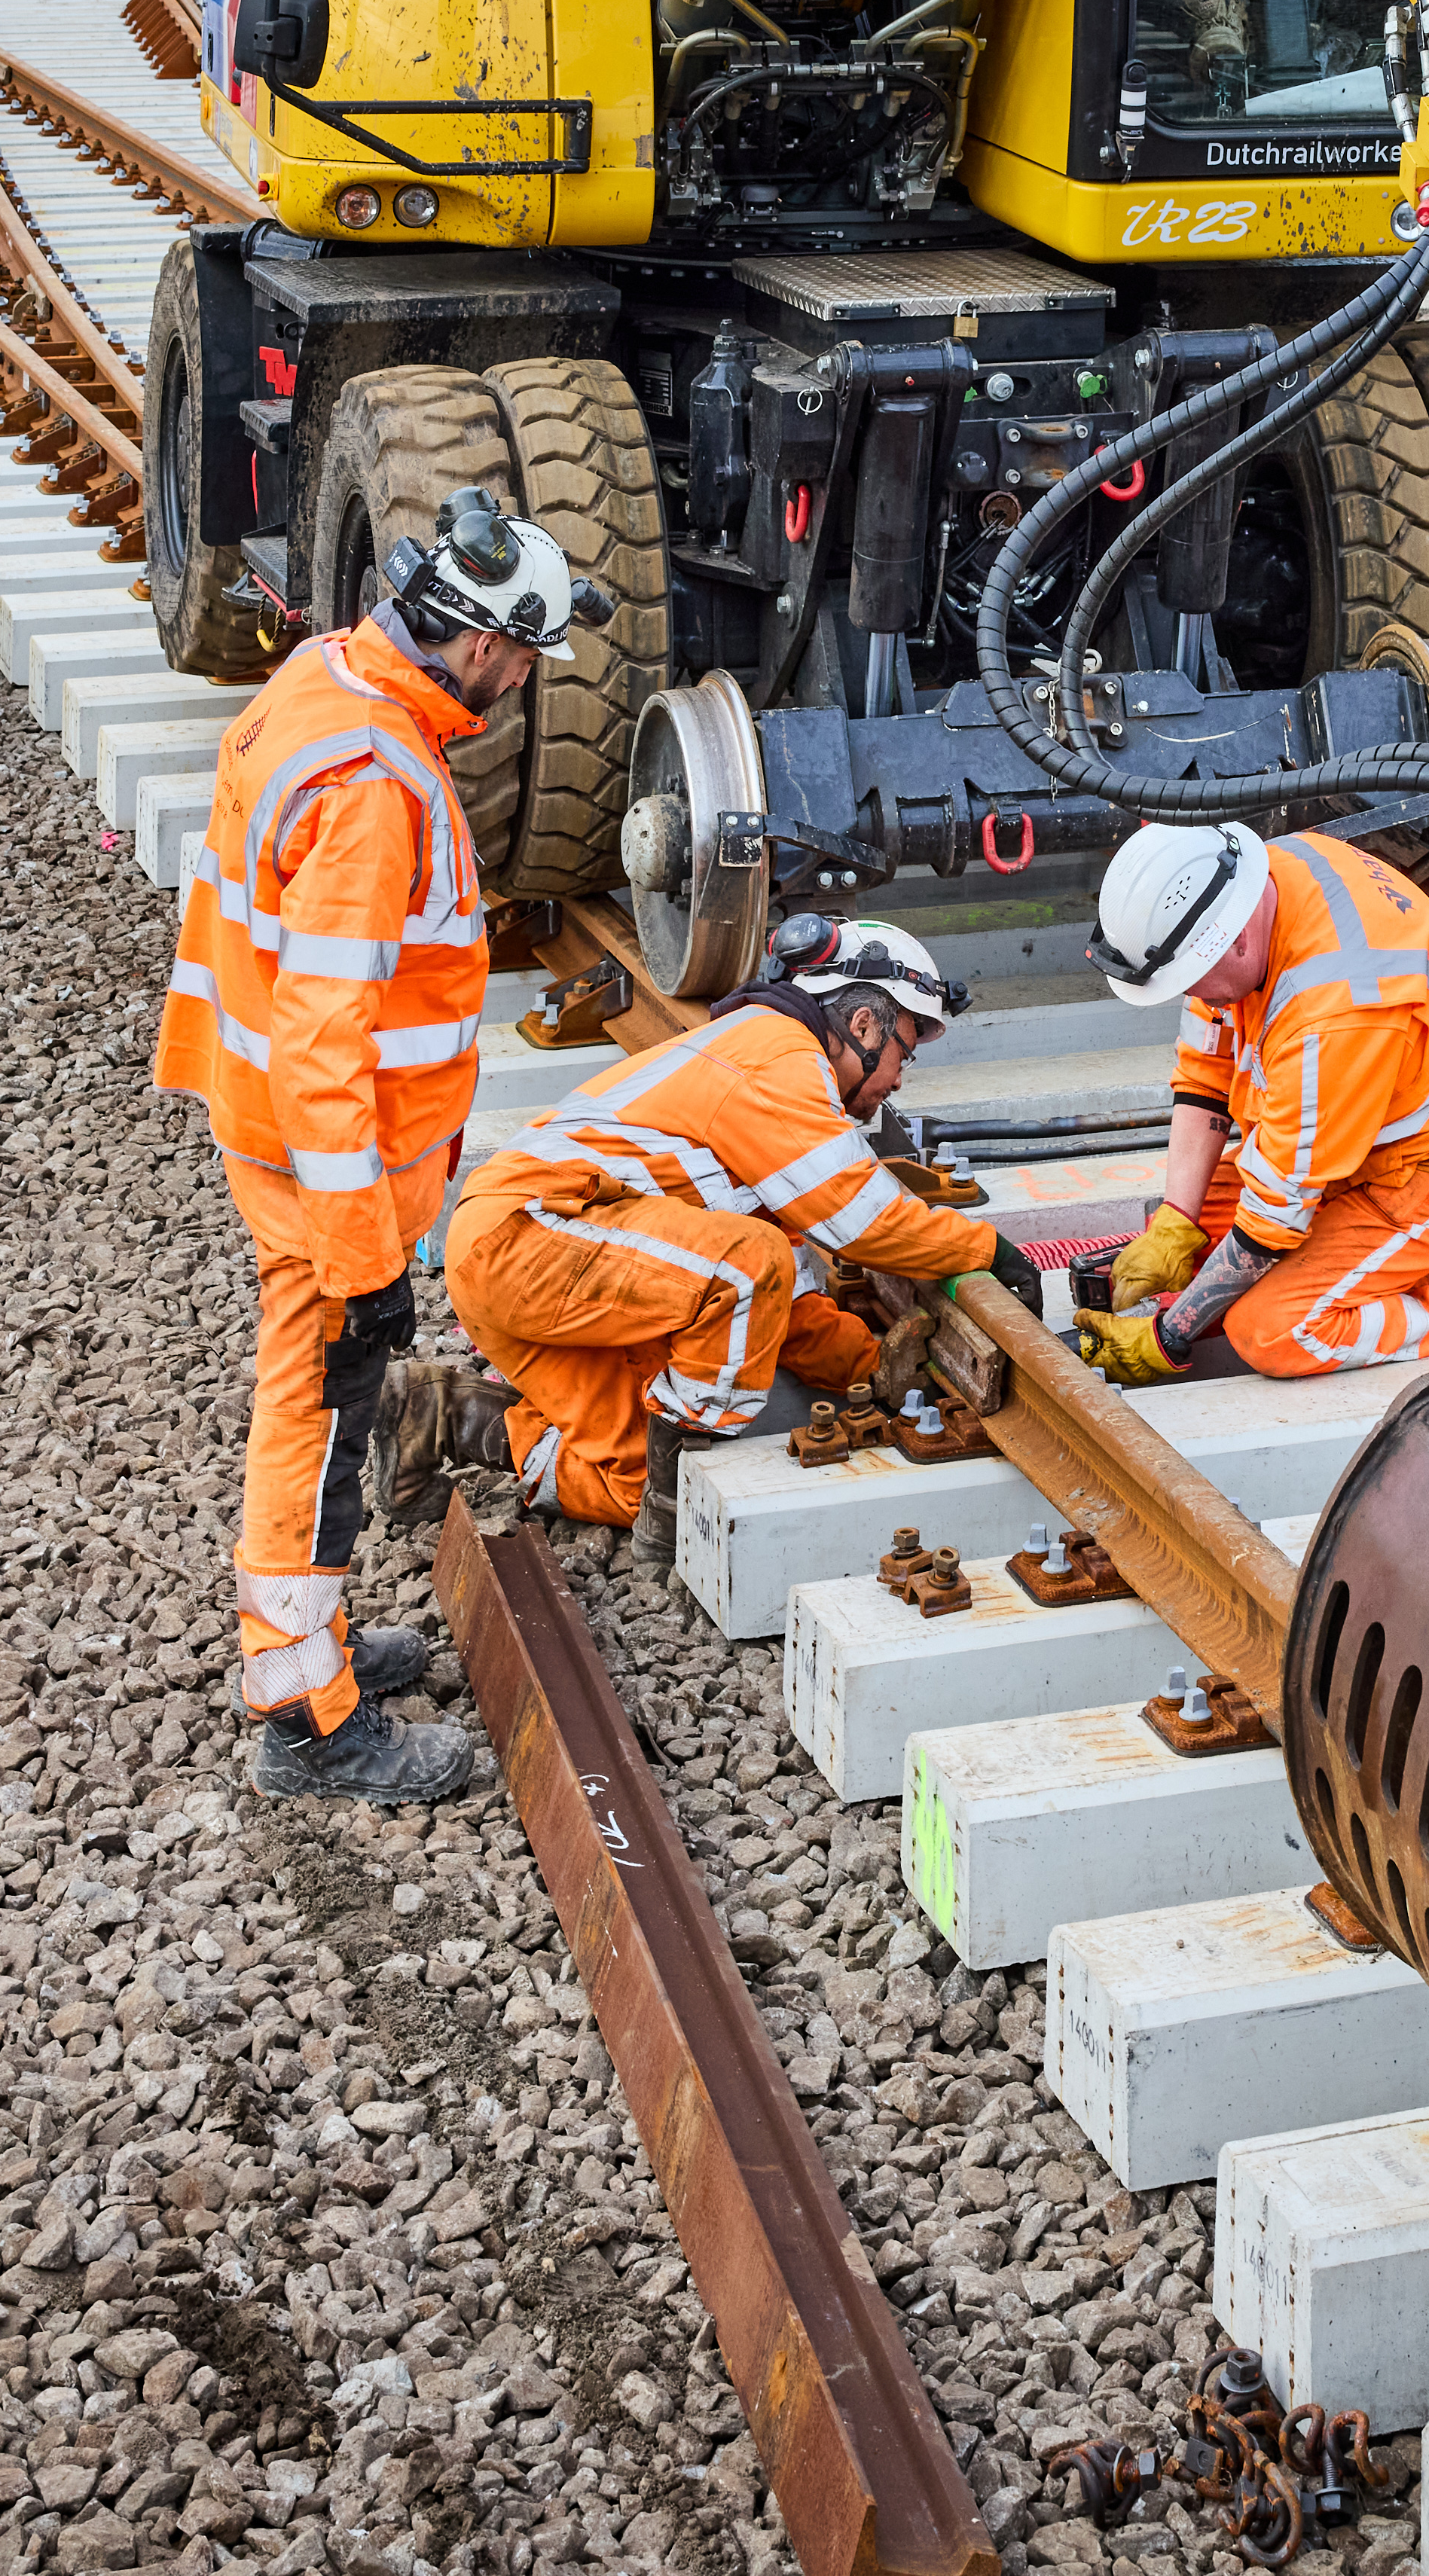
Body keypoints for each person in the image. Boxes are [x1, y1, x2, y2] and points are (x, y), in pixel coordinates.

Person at [154, 484, 606, 1805]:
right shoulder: (373, 788)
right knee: (315, 1422)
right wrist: (365, 1260)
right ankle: (308, 1717)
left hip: (277, 1138)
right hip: (321, 1175)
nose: (524, 681)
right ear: (483, 644)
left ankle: (320, 1649)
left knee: (319, 1413)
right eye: (525, 658)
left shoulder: (328, 681)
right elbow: (324, 1042)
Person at [424, 917, 1030, 1561]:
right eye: (904, 1053)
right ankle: (673, 1515)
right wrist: (988, 1251)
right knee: (746, 1266)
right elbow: (861, 1220)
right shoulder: (777, 1053)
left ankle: (443, 1416)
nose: (899, 1081)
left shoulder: (762, 1079)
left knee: (632, 1479)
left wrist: (874, 1368)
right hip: (529, 1234)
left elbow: (785, 1309)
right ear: (864, 1026)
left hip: (536, 1256)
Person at [1069, 821, 1429, 1388]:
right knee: (1196, 1242)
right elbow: (1206, 1072)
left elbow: (1271, 1221)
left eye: (1189, 983)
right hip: (1367, 1132)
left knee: (1271, 1329)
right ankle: (1399, 1271)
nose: (1190, 996)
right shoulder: (1250, 886)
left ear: (1234, 941)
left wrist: (1170, 1335)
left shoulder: (1334, 1012)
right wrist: (1176, 1220)